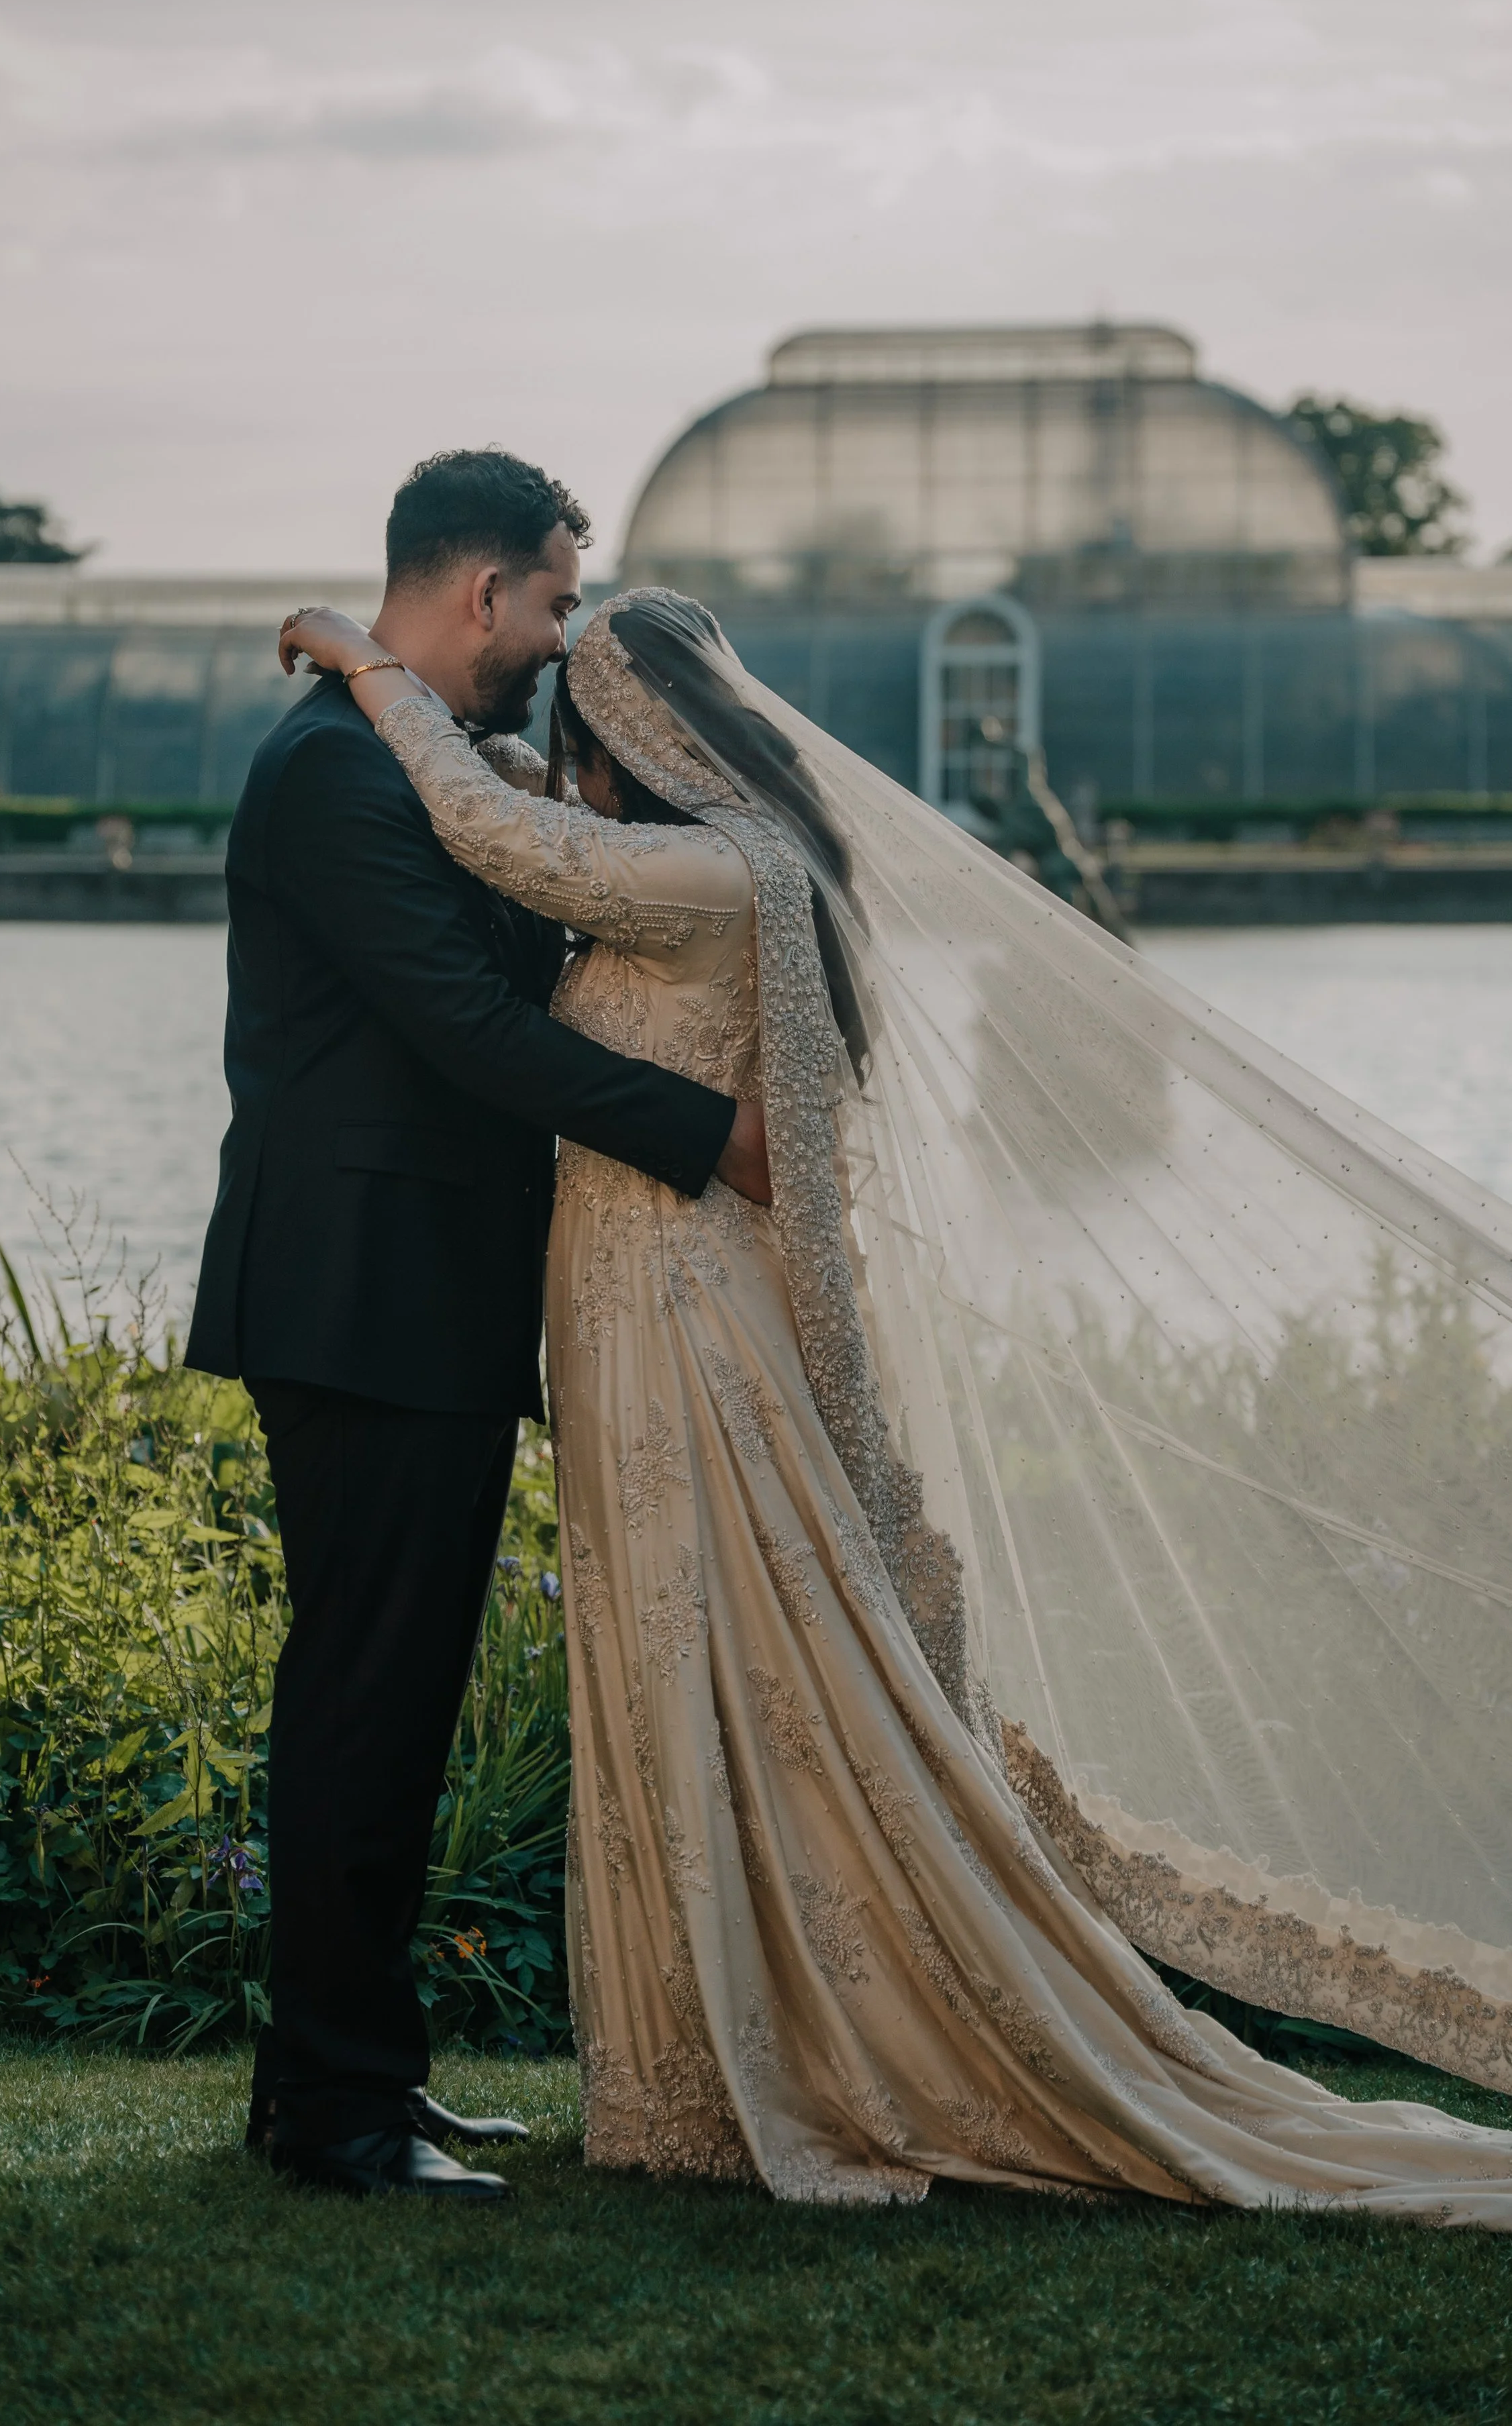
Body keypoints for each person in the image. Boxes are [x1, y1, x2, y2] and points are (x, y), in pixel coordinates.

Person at [274, 580, 1512, 2224]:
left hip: (675, 1315)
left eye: (582, 731)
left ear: (636, 736)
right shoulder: (721, 863)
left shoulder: (718, 870)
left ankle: (776, 2049)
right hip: (625, 1307)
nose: (560, 769)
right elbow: (518, 822)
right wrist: (439, 721)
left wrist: (368, 669)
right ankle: (679, 2073)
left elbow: (516, 850)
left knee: (722, 1650)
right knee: (662, 1661)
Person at [185, 457, 770, 2203]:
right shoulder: (330, 777)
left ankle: (353, 2081)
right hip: (359, 1304)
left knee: (392, 1701)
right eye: (549, 601)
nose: (558, 637)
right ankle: (339, 2117)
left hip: (414, 1307)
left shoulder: (404, 767)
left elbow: (529, 948)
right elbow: (468, 1026)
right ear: (474, 596)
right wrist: (706, 1134)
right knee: (364, 1701)